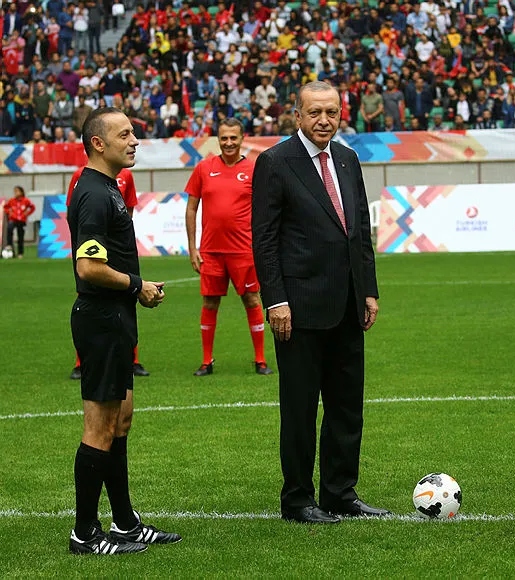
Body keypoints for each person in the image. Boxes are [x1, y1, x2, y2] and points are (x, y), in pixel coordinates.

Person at [252, 81, 388, 524]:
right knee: (300, 409)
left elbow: (359, 229)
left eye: (331, 112)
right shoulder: (275, 162)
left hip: (348, 305)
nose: (324, 120)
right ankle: (297, 499)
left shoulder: (347, 159)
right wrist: (276, 301)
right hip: (300, 309)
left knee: (347, 406)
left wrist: (368, 289)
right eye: (315, 113)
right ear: (298, 116)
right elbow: (265, 240)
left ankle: (339, 493)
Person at [67, 107, 181, 555]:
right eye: (125, 134)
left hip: (114, 319)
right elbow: (89, 267)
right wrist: (138, 286)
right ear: (99, 143)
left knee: (121, 419)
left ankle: (125, 523)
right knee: (98, 427)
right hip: (100, 320)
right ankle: (84, 533)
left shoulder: (107, 187)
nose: (134, 140)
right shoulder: (95, 193)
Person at [184, 118, 273, 376]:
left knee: (251, 299)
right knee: (209, 302)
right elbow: (191, 209)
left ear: (242, 138)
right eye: (224, 138)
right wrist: (193, 248)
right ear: (218, 139)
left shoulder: (255, 169)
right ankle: (207, 361)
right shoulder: (203, 168)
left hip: (244, 251)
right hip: (211, 251)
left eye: (233, 138)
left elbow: (266, 210)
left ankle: (260, 360)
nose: (229, 143)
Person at [66, 165, 150, 380]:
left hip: (118, 253)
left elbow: (127, 211)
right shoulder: (85, 180)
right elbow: (74, 214)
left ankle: (134, 360)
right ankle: (79, 362)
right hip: (94, 249)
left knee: (125, 301)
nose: (133, 142)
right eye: (123, 135)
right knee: (89, 297)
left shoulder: (125, 176)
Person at [3, 186, 35, 258]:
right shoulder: (12, 200)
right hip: (13, 219)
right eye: (15, 191)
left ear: (21, 192)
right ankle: (9, 245)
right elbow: (5, 207)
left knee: (20, 236)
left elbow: (33, 207)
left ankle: (20, 253)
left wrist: (27, 213)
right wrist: (9, 212)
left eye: (17, 191)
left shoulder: (26, 201)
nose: (16, 193)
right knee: (9, 227)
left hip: (21, 220)